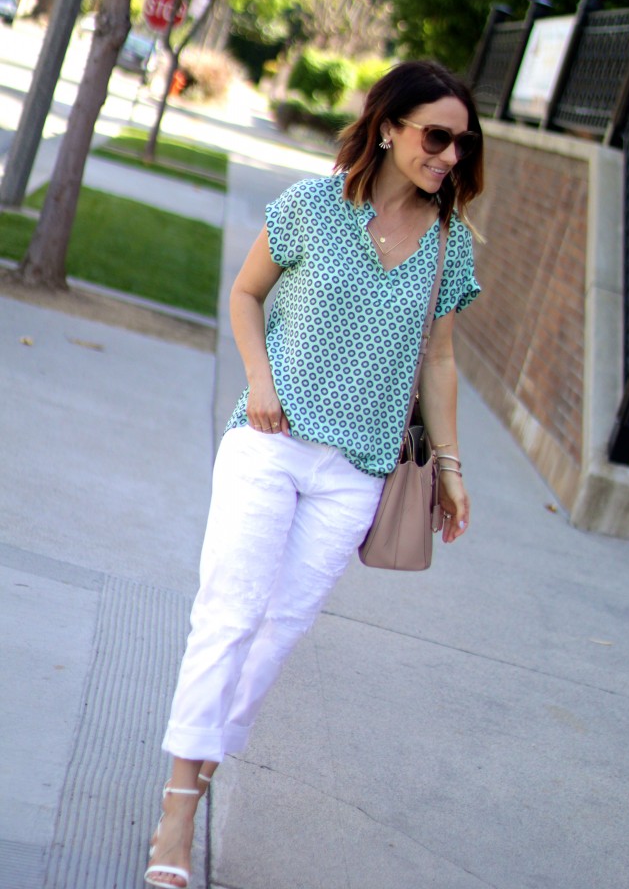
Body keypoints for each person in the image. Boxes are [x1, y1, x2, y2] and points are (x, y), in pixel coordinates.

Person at [144, 59, 484, 889]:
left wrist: (450, 466)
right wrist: (259, 382)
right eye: (434, 137)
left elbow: (438, 360)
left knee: (275, 637)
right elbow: (245, 294)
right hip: (270, 442)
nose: (446, 157)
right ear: (387, 126)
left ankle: (199, 772)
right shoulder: (310, 206)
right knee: (227, 617)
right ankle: (177, 818)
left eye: (459, 146)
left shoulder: (450, 243)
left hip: (357, 472)